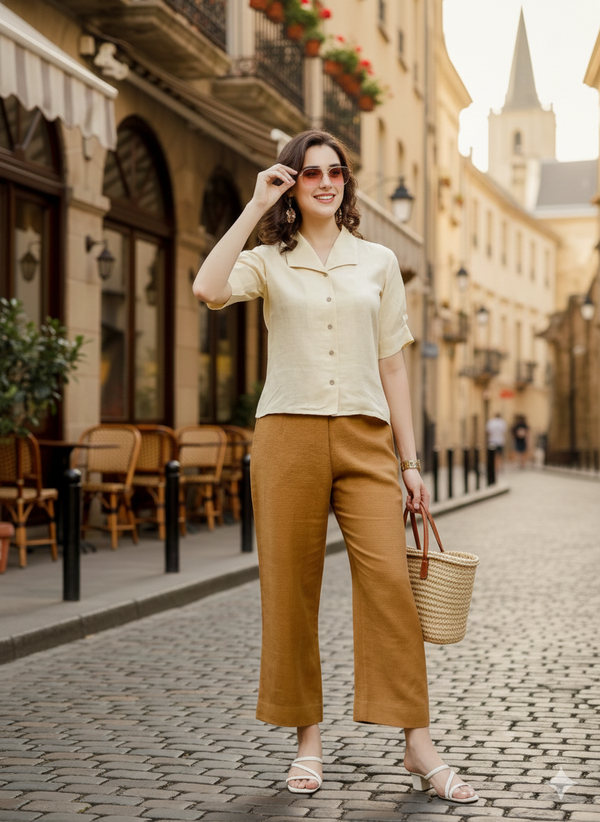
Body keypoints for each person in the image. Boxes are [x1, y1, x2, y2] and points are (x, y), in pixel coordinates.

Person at [193, 129, 478, 804]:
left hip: (364, 436)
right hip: (286, 433)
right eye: (311, 172)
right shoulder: (268, 258)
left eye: (336, 172)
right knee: (288, 588)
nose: (326, 181)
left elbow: (394, 365)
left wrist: (410, 461)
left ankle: (418, 743)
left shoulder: (378, 262)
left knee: (389, 589)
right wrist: (256, 205)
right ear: (292, 182)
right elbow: (207, 286)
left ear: (346, 183)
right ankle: (307, 743)